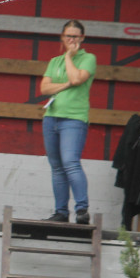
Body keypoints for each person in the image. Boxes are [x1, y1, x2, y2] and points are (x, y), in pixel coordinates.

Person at [40, 19, 96, 224]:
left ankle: (82, 210)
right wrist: (64, 85)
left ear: (82, 38)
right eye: (67, 36)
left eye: (75, 36)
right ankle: (61, 212)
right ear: (62, 37)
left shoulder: (88, 58)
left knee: (71, 162)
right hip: (51, 117)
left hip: (74, 118)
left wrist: (69, 57)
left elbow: (76, 79)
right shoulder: (54, 61)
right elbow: (44, 89)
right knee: (56, 166)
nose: (71, 40)